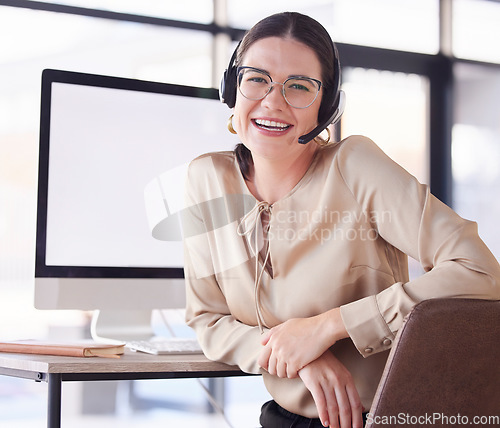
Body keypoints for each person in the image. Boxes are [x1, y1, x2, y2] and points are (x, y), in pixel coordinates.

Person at [182, 11, 500, 428]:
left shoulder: (355, 166)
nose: (273, 101)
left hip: (391, 416)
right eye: (256, 78)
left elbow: (480, 273)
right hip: (285, 416)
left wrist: (328, 327)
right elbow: (207, 318)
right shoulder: (207, 180)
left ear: (326, 106)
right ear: (232, 88)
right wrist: (294, 357)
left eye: (299, 86)